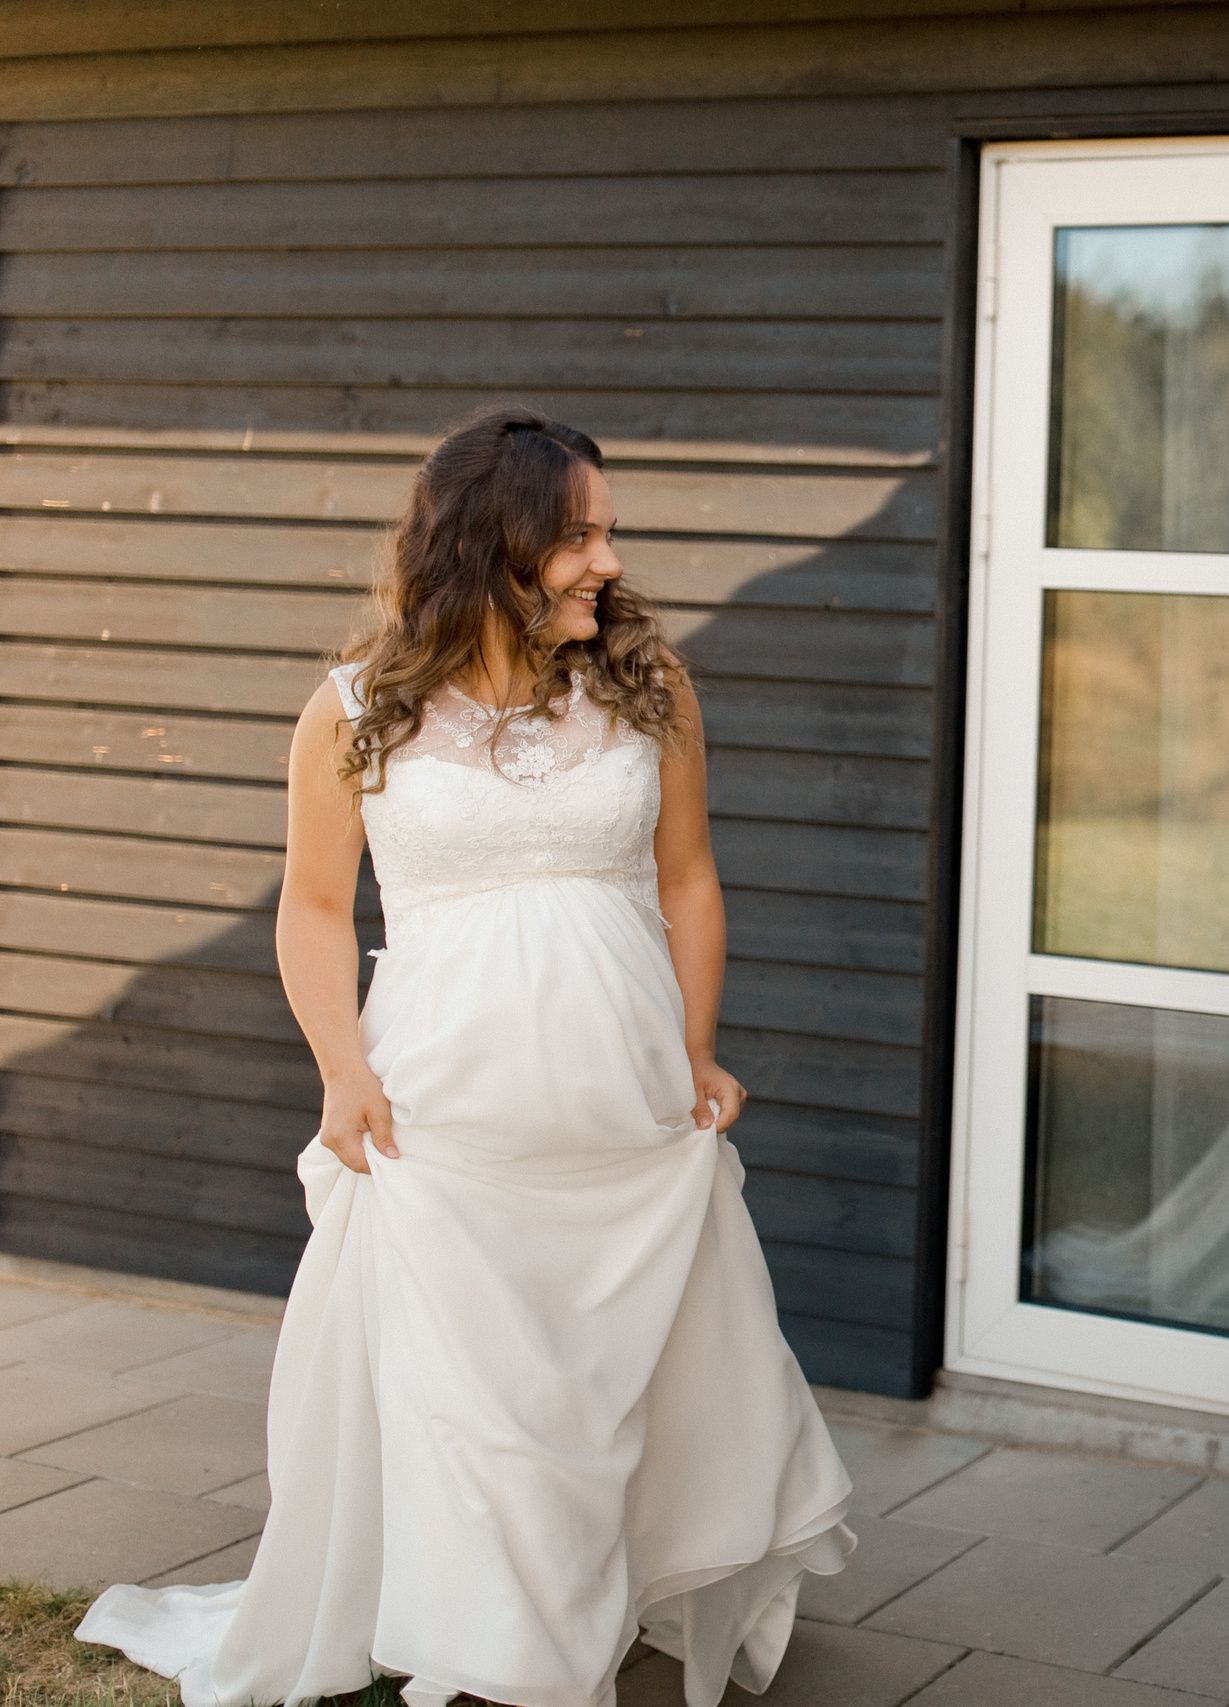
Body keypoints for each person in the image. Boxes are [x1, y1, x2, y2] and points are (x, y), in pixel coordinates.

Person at [76, 408, 857, 1707]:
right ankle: (507, 1650)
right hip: (443, 1113)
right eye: (580, 535)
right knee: (481, 1399)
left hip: (626, 1112)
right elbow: (313, 908)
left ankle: (592, 1597)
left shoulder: (649, 686)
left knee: (623, 1383)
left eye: (608, 533)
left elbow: (689, 877)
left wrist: (698, 1046)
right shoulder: (353, 711)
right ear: (494, 544)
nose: (610, 561)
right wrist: (342, 1069)